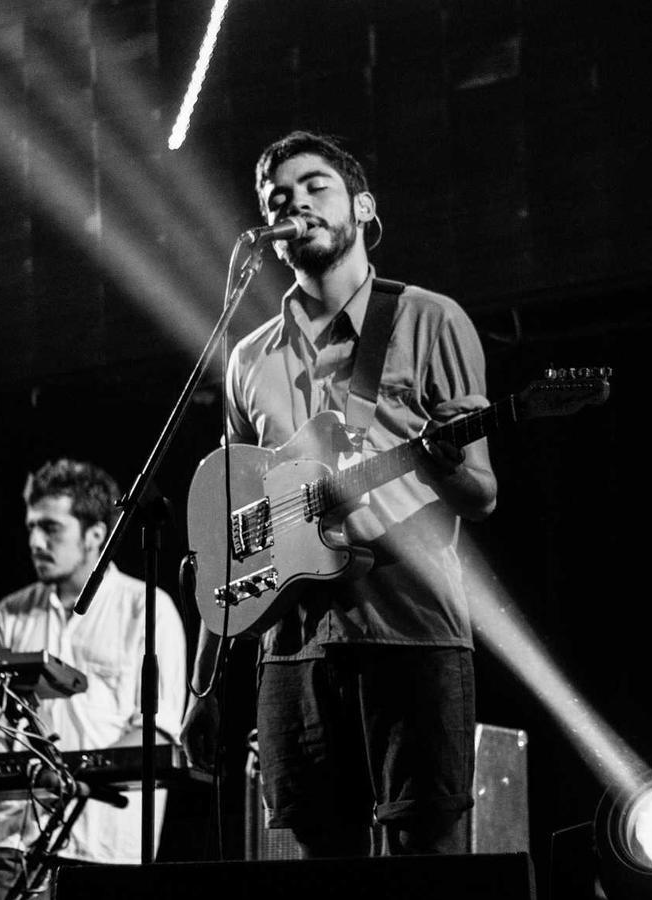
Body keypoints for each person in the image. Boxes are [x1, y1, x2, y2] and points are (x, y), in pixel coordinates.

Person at [180, 131, 499, 858]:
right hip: (290, 649)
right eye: (277, 196)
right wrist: (203, 687)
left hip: (411, 629)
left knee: (427, 861)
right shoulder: (247, 357)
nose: (294, 201)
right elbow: (234, 530)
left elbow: (480, 493)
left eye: (314, 185)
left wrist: (444, 460)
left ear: (362, 205)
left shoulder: (429, 319)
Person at [0, 459, 187, 898]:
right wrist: (3, 773)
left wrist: (70, 776)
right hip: (18, 842)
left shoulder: (146, 609)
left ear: (94, 536)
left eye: (51, 528)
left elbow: (155, 735)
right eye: (31, 527)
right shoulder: (10, 613)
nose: (34, 541)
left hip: (106, 848)